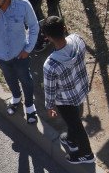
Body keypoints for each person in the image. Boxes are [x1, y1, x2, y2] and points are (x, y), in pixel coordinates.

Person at [40, 16, 94, 164]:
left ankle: (86, 154)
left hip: (65, 99)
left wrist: (49, 106)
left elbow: (50, 90)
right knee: (73, 119)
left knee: (75, 124)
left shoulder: (51, 65)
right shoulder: (78, 39)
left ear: (48, 38)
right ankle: (70, 139)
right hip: (81, 88)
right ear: (64, 28)